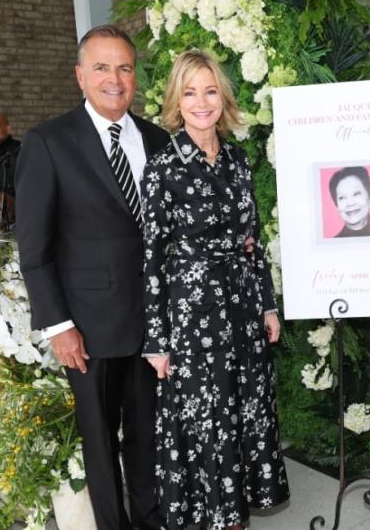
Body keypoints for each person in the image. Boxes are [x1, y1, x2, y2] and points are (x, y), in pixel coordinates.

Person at [15, 25, 169, 530]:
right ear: (80, 76)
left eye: (124, 67)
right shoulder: (48, 142)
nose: (115, 79)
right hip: (88, 329)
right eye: (102, 67)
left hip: (154, 325)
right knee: (101, 447)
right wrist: (58, 325)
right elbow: (34, 247)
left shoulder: (158, 139)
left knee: (149, 440)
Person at [140, 49, 289, 530]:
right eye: (189, 92)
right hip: (193, 313)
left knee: (243, 411)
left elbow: (254, 238)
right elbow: (152, 259)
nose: (201, 102)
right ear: (176, 101)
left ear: (222, 98)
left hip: (242, 306)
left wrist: (267, 304)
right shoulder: (162, 168)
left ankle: (236, 517)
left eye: (209, 91)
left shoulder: (238, 160)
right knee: (207, 419)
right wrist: (157, 341)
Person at [327, 165, 370, 237]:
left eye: (356, 194)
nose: (350, 203)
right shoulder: (330, 245)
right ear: (337, 207)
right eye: (342, 198)